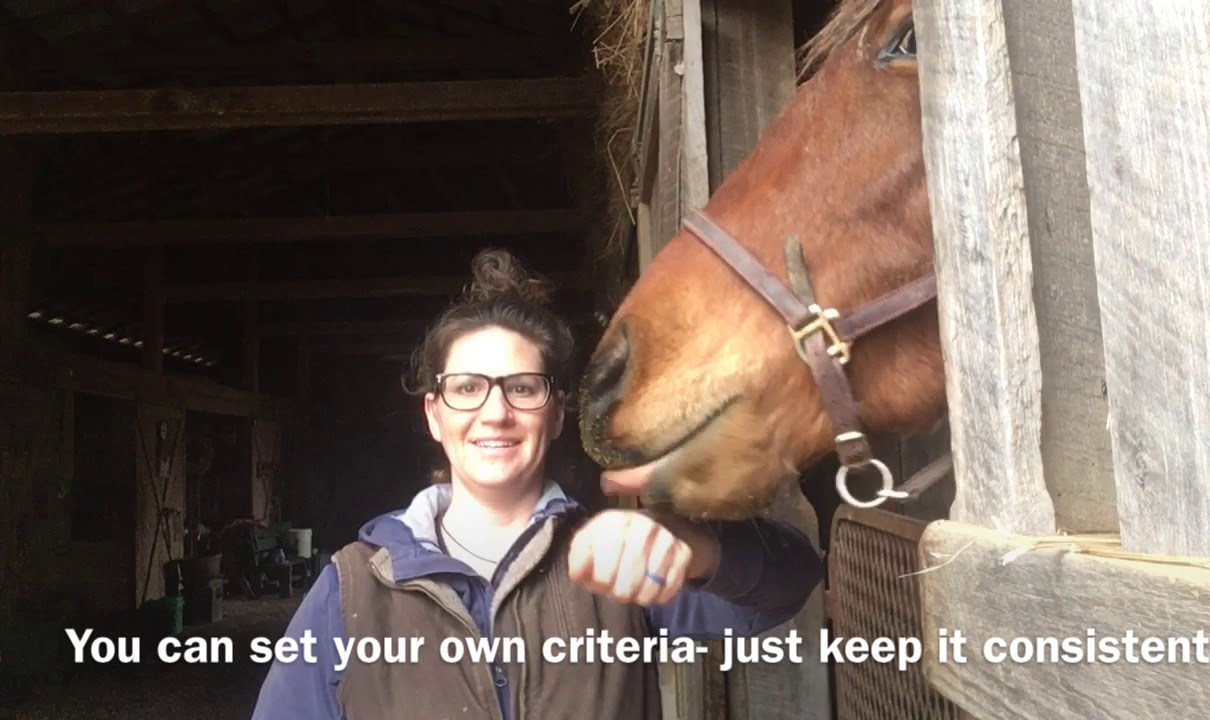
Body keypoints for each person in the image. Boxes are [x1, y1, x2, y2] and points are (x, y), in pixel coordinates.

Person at [250, 249, 824, 720]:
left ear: (554, 415)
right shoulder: (351, 588)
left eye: (522, 388)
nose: (495, 412)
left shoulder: (618, 563)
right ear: (434, 413)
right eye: (468, 388)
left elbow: (791, 583)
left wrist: (695, 546)